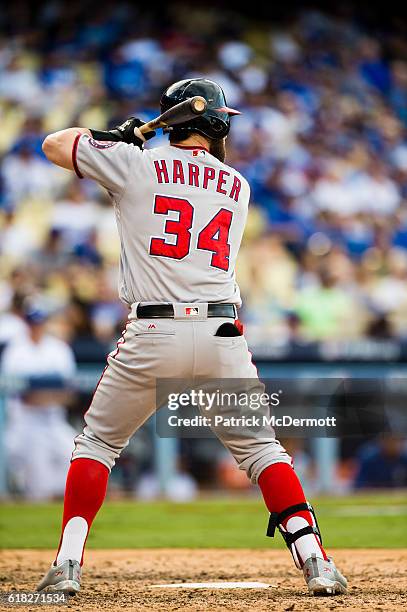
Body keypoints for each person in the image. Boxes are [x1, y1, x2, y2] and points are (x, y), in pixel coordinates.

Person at [37, 78, 347, 596]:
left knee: (97, 443)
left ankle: (67, 564)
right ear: (216, 123)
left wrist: (116, 136)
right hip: (222, 332)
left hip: (153, 330)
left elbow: (53, 144)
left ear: (171, 121)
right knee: (262, 451)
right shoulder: (237, 185)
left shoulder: (136, 162)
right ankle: (315, 559)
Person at [1, 305, 76, 500]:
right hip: (24, 423)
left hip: (54, 420)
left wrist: (42, 396)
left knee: (76, 454)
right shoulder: (15, 350)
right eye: (33, 323)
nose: (37, 327)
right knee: (38, 479)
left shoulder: (58, 348)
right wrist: (48, 396)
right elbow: (21, 396)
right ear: (27, 324)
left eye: (40, 323)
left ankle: (64, 501)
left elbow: (69, 393)